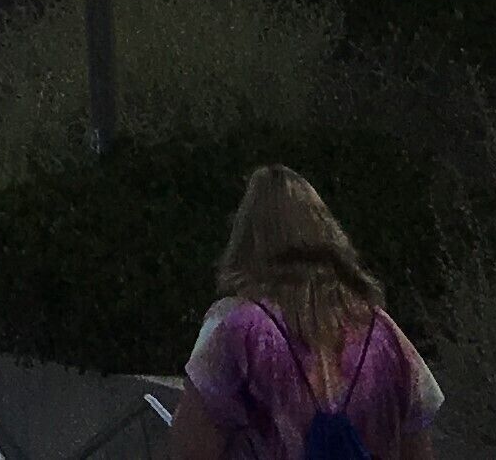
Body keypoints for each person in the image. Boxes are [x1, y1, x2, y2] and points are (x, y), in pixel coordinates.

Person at [172, 166, 441, 460]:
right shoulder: (385, 334)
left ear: (247, 241)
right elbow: (419, 449)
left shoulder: (239, 330)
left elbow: (191, 449)